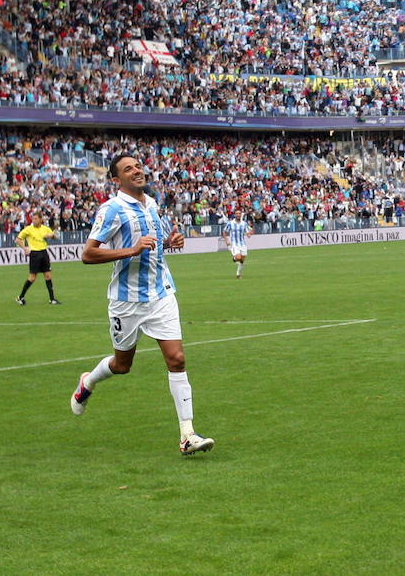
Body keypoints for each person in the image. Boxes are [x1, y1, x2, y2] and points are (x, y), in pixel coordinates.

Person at [70, 153, 215, 456]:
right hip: (126, 301)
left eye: (137, 166)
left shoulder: (152, 204)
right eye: (128, 169)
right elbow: (88, 254)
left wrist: (169, 243)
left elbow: (153, 243)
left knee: (176, 359)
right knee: (122, 365)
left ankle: (187, 435)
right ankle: (88, 382)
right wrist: (130, 250)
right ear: (116, 179)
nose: (136, 170)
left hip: (161, 294)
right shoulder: (111, 209)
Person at [16, 213, 61, 305]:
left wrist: (52, 236)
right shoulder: (28, 229)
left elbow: (55, 236)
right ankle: (20, 297)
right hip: (35, 254)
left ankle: (52, 299)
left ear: (41, 219)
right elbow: (18, 239)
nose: (34, 220)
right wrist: (25, 248)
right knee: (32, 278)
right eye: (33, 219)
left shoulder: (45, 228)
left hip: (44, 253)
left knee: (48, 276)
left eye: (36, 219)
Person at [222, 211, 252, 278]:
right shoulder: (230, 223)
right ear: (235, 215)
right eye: (237, 214)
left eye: (239, 214)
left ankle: (238, 274)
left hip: (242, 244)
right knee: (238, 257)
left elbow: (248, 234)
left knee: (242, 260)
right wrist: (226, 240)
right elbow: (224, 231)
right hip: (234, 244)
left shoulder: (244, 223)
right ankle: (234, 258)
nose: (238, 215)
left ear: (241, 215)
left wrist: (250, 233)